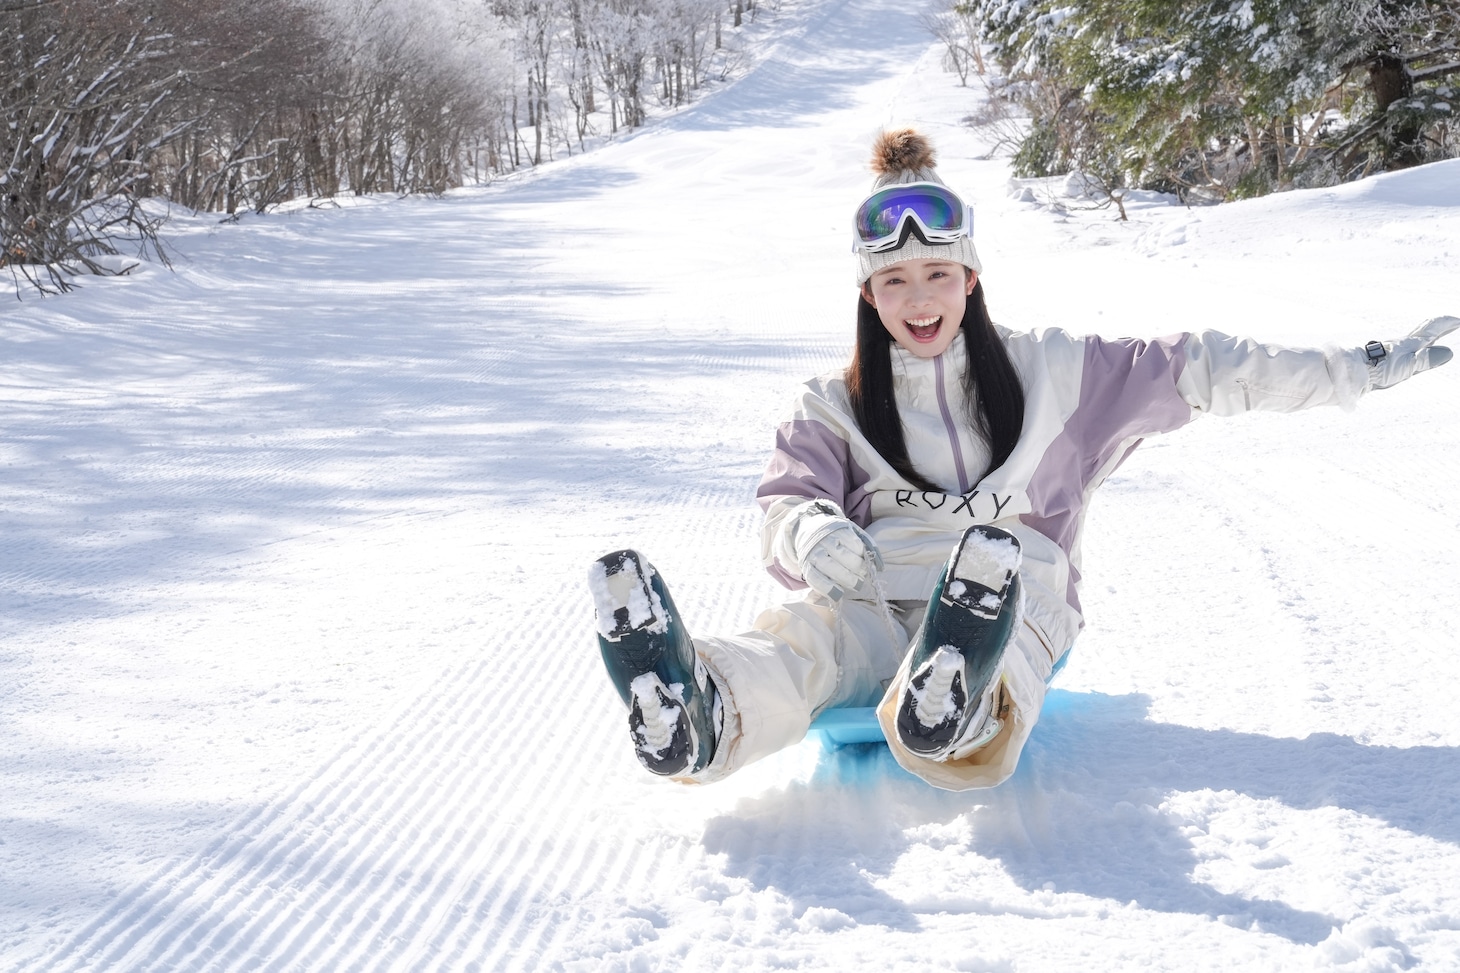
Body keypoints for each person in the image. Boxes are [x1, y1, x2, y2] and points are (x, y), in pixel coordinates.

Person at [586, 129, 1457, 792]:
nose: (918, 298)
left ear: (971, 277)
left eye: (937, 274)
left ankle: (956, 698)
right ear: (867, 293)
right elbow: (785, 502)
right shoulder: (834, 403)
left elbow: (1209, 366)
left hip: (1015, 593)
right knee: (805, 644)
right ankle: (699, 704)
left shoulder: (1059, 373)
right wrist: (809, 530)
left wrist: (1359, 369)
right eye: (895, 282)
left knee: (1014, 630)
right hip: (878, 597)